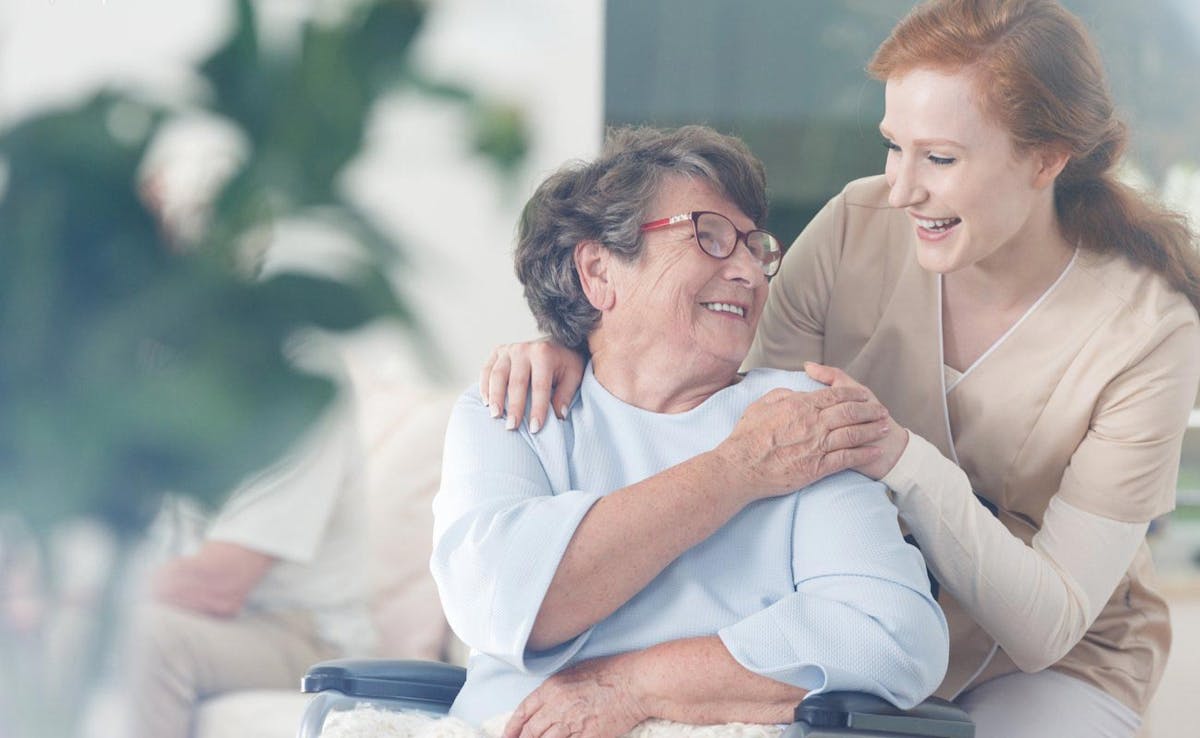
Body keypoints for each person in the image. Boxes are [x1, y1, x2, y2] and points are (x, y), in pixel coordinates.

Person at [477, 2, 1200, 737]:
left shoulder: (1147, 333)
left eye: (940, 158)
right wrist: (582, 335)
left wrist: (900, 458)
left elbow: (1047, 625)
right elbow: (729, 409)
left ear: (1047, 159)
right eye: (893, 146)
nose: (901, 187)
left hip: (1047, 662)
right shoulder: (859, 223)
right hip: (853, 628)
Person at [431, 125, 949, 738]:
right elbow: (501, 601)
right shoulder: (516, 407)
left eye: (756, 249)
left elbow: (893, 637)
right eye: (710, 237)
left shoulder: (800, 419)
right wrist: (738, 470)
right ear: (598, 270)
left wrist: (634, 687)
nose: (750, 275)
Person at [128, 382, 376, 738]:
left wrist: (90, 598)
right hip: (211, 620)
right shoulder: (164, 380)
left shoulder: (299, 383)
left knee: (146, 637)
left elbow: (217, 585)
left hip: (308, 635)